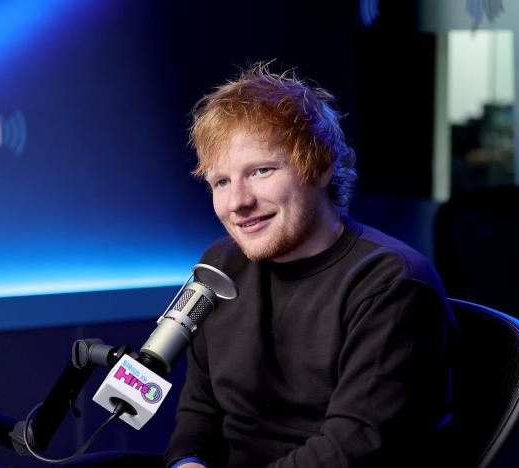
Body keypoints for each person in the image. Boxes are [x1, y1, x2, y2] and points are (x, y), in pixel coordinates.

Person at [164, 63, 455, 468]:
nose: (237, 203)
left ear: (319, 167)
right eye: (221, 182)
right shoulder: (219, 265)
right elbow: (198, 413)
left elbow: (350, 449)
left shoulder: (390, 281)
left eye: (261, 171)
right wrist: (187, 463)